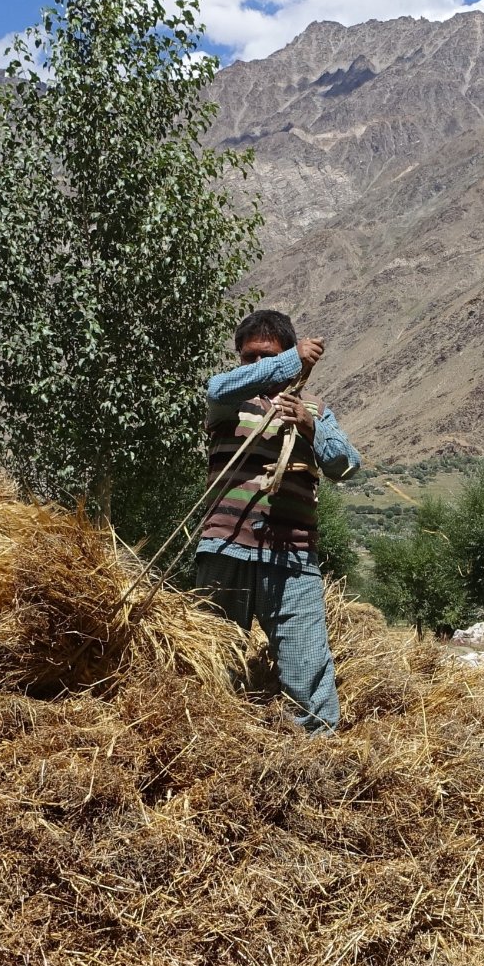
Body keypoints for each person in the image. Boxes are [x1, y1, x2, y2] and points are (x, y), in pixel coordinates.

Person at [195, 308, 361, 732]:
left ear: (288, 354)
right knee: (210, 664)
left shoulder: (315, 410)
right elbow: (217, 386)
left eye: (267, 356)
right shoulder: (229, 401)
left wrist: (310, 428)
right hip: (224, 548)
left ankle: (318, 757)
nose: (256, 366)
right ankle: (208, 744)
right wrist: (289, 361)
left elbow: (346, 466)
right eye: (248, 357)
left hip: (293, 558)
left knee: (308, 671)